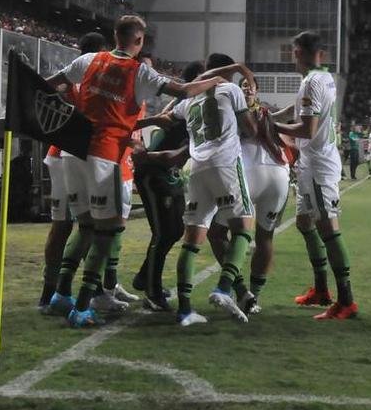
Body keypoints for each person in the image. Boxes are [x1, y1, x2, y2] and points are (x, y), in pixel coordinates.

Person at [47, 15, 235, 328]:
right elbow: (185, 90)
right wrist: (216, 80)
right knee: (106, 232)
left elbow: (52, 84)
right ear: (140, 41)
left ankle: (61, 293)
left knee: (85, 226)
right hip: (103, 156)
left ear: (115, 36)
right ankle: (82, 307)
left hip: (71, 153)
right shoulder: (138, 71)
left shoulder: (89, 60)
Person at [147, 53, 257, 326]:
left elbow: (165, 118)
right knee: (243, 228)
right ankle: (223, 288)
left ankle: (184, 310)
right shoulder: (231, 89)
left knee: (192, 240)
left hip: (197, 170)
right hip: (226, 165)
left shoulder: (188, 101)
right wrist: (251, 103)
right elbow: (251, 130)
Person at [275, 31, 358, 320]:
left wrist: (274, 129)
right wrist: (274, 116)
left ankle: (346, 300)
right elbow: (298, 109)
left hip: (319, 164)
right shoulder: (323, 77)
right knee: (303, 222)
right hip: (311, 163)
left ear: (298, 52)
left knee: (328, 228)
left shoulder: (312, 83)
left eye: (294, 52)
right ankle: (322, 289)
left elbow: (307, 130)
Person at [208, 75, 295, 315]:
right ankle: (252, 297)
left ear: (255, 91)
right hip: (279, 174)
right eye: (243, 85)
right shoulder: (266, 113)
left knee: (217, 233)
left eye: (249, 85)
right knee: (265, 237)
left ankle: (242, 291)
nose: (246, 88)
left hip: (247, 173)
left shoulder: (231, 109)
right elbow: (287, 132)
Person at [38, 31, 106, 313]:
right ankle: (69, 291)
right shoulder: (90, 79)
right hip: (78, 155)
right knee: (93, 224)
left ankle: (50, 292)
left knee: (63, 225)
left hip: (58, 154)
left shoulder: (66, 79)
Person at [129, 60, 204, 312]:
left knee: (173, 230)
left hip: (165, 171)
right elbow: (174, 154)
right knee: (163, 233)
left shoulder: (192, 106)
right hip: (153, 172)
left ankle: (144, 278)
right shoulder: (190, 107)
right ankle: (151, 291)